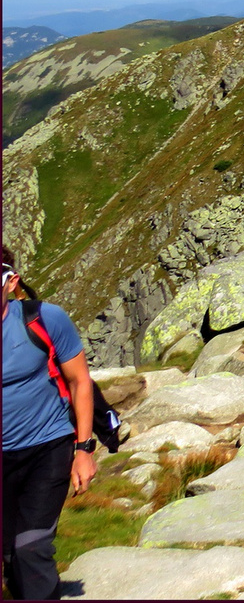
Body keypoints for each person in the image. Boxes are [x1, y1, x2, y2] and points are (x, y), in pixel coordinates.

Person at [3, 245, 98, 601]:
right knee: (11, 555)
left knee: (31, 547)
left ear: (10, 283)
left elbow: (80, 381)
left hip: (48, 447)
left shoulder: (45, 319)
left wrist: (84, 450)